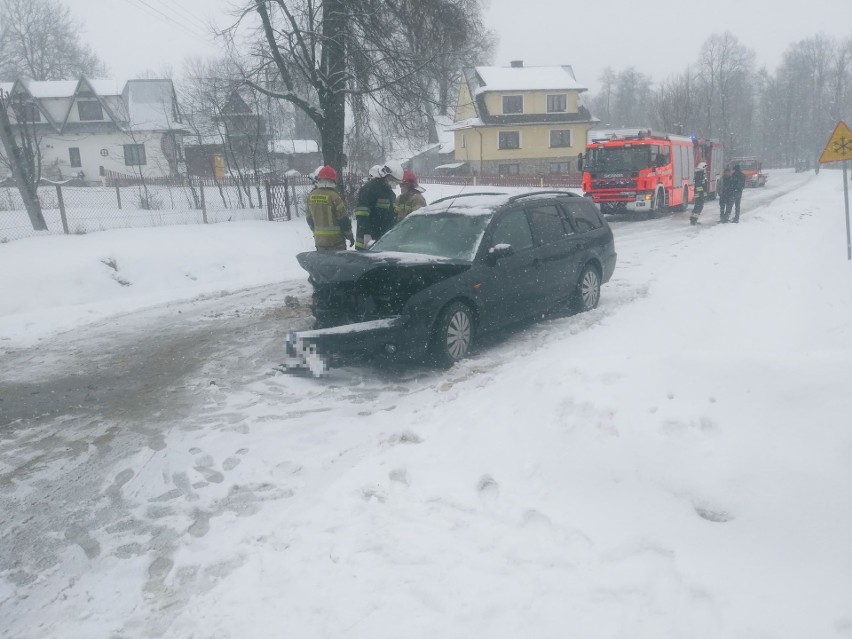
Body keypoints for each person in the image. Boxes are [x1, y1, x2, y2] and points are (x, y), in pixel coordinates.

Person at [353, 160, 403, 249]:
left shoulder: (391, 194)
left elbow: (391, 216)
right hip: (367, 240)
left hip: (382, 240)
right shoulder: (369, 189)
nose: (395, 184)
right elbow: (362, 214)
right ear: (386, 176)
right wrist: (366, 233)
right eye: (393, 181)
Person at [305, 165, 353, 251]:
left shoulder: (311, 196)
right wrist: (349, 235)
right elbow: (343, 219)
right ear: (333, 180)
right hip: (336, 242)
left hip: (320, 242)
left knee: (324, 264)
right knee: (338, 264)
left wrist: (316, 232)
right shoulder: (334, 196)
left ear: (319, 179)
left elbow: (309, 218)